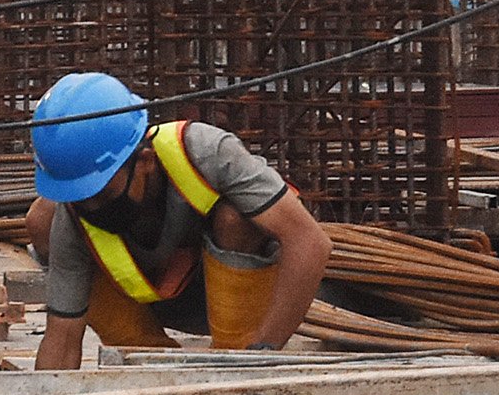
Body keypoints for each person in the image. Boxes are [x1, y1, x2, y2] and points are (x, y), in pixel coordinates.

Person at [20, 72, 329, 367]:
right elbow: (61, 337)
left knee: (237, 218)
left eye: (100, 192)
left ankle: (235, 356)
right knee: (45, 217)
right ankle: (146, 361)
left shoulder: (206, 152)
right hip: (154, 301)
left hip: (233, 295)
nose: (89, 206)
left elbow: (310, 241)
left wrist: (264, 350)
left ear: (144, 162)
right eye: (79, 195)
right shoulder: (75, 213)